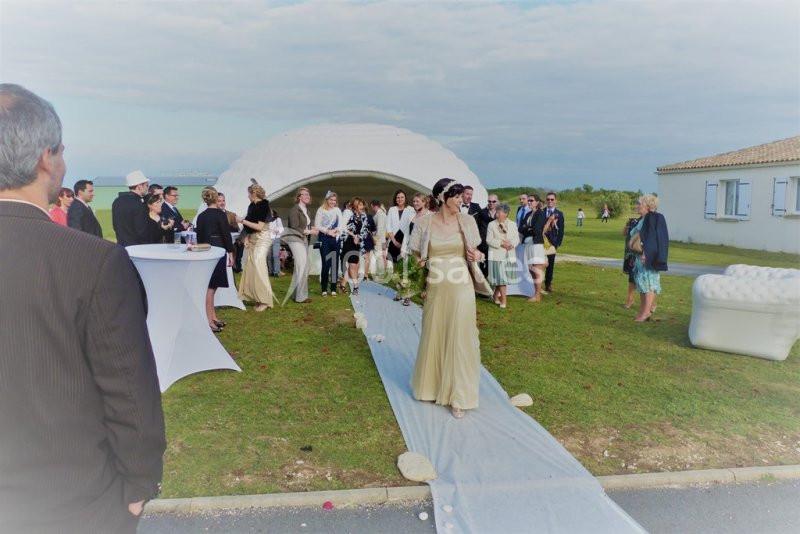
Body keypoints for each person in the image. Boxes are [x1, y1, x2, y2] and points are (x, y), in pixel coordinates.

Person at [0, 83, 164, 534]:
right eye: (62, 151)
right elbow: (129, 389)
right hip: (72, 503)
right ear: (43, 158)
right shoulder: (93, 262)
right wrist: (138, 484)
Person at [409, 178, 484, 419]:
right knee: (435, 332)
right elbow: (416, 256)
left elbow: (478, 253)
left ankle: (459, 396)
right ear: (443, 197)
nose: (462, 200)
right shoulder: (423, 223)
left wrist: (477, 256)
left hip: (461, 282)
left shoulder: (468, 221)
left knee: (460, 336)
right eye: (457, 196)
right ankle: (431, 387)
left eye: (463, 195)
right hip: (436, 284)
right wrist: (423, 265)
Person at [195, 187, 235, 331]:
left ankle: (213, 317)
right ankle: (209, 320)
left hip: (205, 251)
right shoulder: (219, 214)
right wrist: (231, 252)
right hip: (217, 249)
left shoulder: (201, 216)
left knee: (212, 285)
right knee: (211, 287)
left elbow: (198, 236)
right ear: (214, 198)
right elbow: (226, 234)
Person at [236, 179, 274, 311]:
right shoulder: (251, 206)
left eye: (248, 194)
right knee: (252, 268)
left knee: (259, 268)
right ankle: (258, 297)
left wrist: (242, 221)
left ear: (254, 193)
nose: (247, 196)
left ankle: (265, 300)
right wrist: (246, 237)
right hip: (252, 239)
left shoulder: (264, 206)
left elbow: (259, 226)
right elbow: (250, 225)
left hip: (262, 239)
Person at [631, 194, 669, 322]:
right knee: (642, 284)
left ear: (647, 206)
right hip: (639, 257)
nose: (637, 206)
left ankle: (646, 312)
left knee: (649, 284)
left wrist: (646, 254)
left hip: (647, 257)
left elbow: (653, 239)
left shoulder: (653, 218)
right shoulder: (643, 219)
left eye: (639, 204)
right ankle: (643, 310)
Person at [283, 186, 318, 303]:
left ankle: (296, 294)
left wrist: (315, 229)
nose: (308, 197)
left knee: (305, 266)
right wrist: (310, 231)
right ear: (299, 197)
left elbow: (306, 226)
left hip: (303, 239)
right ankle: (301, 297)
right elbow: (294, 226)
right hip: (295, 239)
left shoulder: (307, 210)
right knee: (302, 266)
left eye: (308, 195)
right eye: (305, 195)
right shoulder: (294, 210)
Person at [486, 203, 519, 309]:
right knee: (501, 278)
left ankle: (495, 296)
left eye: (499, 212)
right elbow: (489, 240)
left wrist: (512, 244)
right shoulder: (491, 224)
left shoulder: (513, 224)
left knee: (502, 279)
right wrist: (501, 243)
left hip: (509, 254)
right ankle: (504, 300)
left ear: (505, 213)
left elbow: (516, 238)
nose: (496, 214)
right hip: (496, 255)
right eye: (496, 211)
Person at [340, 197, 375, 295]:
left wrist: (359, 238)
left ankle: (343, 284)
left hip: (357, 243)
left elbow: (365, 231)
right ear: (355, 206)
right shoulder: (349, 213)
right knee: (352, 265)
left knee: (354, 265)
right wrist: (354, 236)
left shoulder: (364, 217)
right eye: (359, 205)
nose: (362, 206)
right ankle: (355, 286)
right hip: (348, 242)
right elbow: (344, 227)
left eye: (362, 204)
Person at [519, 194, 547, 302]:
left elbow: (537, 230)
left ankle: (537, 295)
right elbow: (521, 228)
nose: (529, 202)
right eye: (529, 200)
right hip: (528, 244)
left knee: (537, 269)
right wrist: (528, 228)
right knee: (531, 269)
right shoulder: (528, 214)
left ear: (537, 202)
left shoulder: (540, 213)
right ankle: (535, 293)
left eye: (531, 200)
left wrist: (528, 228)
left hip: (536, 244)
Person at [112, 170, 150, 246]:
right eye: (147, 185)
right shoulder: (138, 203)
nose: (147, 188)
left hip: (121, 245)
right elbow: (142, 231)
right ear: (139, 186)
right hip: (137, 248)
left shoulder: (117, 201)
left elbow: (115, 226)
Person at [314, 190, 343, 295]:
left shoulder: (337, 210)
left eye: (334, 200)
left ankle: (334, 288)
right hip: (324, 239)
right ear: (327, 200)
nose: (333, 202)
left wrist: (337, 231)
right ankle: (324, 289)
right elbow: (317, 225)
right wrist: (328, 231)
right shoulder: (321, 210)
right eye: (331, 199)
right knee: (326, 264)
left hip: (335, 239)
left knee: (335, 264)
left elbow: (341, 224)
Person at [542, 191, 565, 293]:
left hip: (552, 243)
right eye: (548, 199)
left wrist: (557, 243)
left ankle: (548, 284)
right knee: (539, 263)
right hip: (541, 242)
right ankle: (537, 284)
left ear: (555, 200)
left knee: (550, 265)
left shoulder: (559, 214)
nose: (550, 201)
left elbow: (561, 230)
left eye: (552, 199)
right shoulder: (541, 212)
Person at [385, 189, 414, 266]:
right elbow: (388, 226)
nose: (400, 199)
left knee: (405, 263)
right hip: (394, 238)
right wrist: (394, 241)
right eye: (398, 197)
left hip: (405, 238)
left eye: (402, 197)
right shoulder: (392, 209)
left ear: (405, 198)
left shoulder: (410, 209)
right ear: (395, 199)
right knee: (394, 263)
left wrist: (405, 243)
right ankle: (395, 278)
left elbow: (412, 225)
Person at [217, 192, 244, 272]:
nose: (222, 203)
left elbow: (237, 229)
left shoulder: (231, 214)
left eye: (223, 200)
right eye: (219, 201)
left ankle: (236, 265)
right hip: (219, 242)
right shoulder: (213, 214)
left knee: (239, 243)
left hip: (231, 240)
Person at [476, 193, 499, 276]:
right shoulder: (481, 213)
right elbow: (477, 228)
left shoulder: (501, 214)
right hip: (483, 245)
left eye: (493, 201)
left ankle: (494, 287)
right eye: (489, 201)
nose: (491, 203)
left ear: (497, 202)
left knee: (495, 268)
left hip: (496, 246)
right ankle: (484, 287)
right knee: (483, 269)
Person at [370, 199, 388, 277]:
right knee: (380, 256)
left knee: (379, 256)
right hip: (381, 239)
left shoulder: (380, 214)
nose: (372, 209)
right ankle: (381, 272)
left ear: (374, 206)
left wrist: (375, 239)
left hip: (379, 239)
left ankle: (381, 273)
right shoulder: (381, 213)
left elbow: (380, 228)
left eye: (371, 207)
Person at [267, 208, 284, 276]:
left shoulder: (277, 219)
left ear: (273, 212)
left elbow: (281, 228)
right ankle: (270, 272)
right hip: (267, 239)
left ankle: (276, 272)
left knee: (275, 255)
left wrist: (278, 230)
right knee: (269, 257)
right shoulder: (265, 220)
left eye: (270, 211)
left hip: (276, 239)